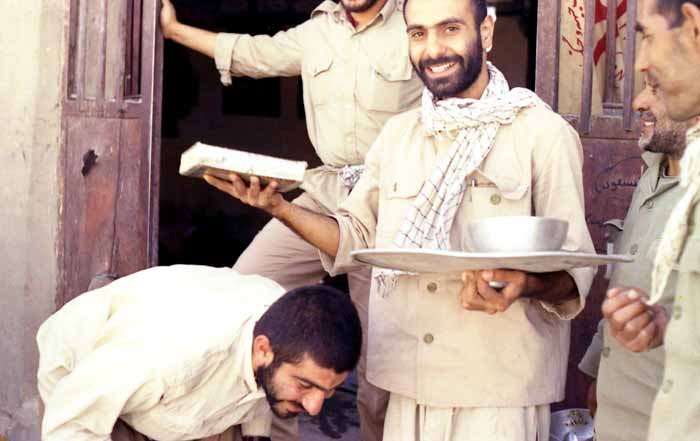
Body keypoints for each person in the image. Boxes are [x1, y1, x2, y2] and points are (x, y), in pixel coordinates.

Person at [204, 0, 596, 439]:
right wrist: (279, 207)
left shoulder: (543, 135)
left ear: (486, 31)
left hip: (495, 394)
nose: (433, 49)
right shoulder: (397, 136)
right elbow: (355, 238)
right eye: (418, 33)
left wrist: (525, 283)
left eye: (450, 29)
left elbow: (574, 270)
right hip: (408, 390)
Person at [159, 1, 423, 438]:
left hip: (389, 201)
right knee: (244, 289)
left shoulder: (416, 25)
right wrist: (173, 31)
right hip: (326, 191)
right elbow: (252, 53)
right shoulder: (318, 30)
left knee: (380, 357)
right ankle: (269, 431)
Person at [37, 265, 361, 441]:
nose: (315, 407)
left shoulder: (281, 324)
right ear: (263, 349)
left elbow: (266, 386)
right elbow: (69, 421)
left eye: (328, 391)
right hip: (86, 385)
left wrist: (256, 435)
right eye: (305, 386)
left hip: (185, 393)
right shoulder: (168, 357)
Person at [602, 0, 700, 440]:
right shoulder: (658, 174)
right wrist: (667, 326)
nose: (640, 61)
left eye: (645, 36)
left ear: (692, 27)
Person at [577, 82, 695, 441]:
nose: (638, 102)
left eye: (657, 88)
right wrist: (599, 371)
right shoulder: (654, 173)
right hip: (617, 418)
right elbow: (627, 282)